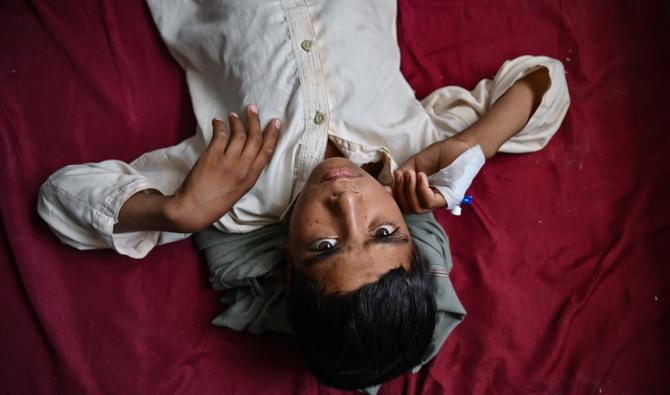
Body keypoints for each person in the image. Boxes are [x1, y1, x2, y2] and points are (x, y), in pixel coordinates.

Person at [37, 0, 570, 391]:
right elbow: (546, 81)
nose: (349, 204)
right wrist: (468, 146)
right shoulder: (420, 151)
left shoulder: (233, 193)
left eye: (326, 247)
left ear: (288, 265)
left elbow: (59, 198)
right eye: (383, 233)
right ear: (413, 231)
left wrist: (176, 211)